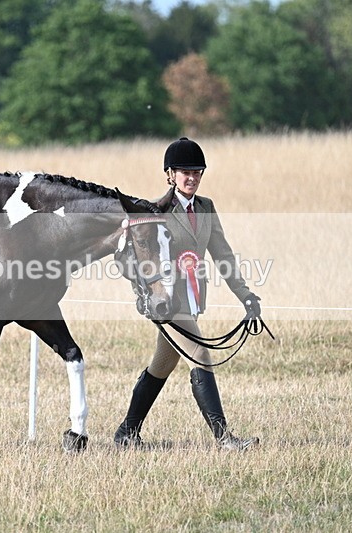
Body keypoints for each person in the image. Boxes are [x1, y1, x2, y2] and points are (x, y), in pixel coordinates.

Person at [114, 137, 261, 451]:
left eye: (197, 172)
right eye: (185, 172)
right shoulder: (155, 211)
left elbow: (222, 254)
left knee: (161, 365)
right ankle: (225, 440)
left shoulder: (206, 207)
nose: (191, 177)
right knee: (201, 356)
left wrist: (246, 295)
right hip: (166, 301)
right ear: (170, 174)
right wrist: (145, 292)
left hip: (193, 299)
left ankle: (126, 432)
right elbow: (132, 255)